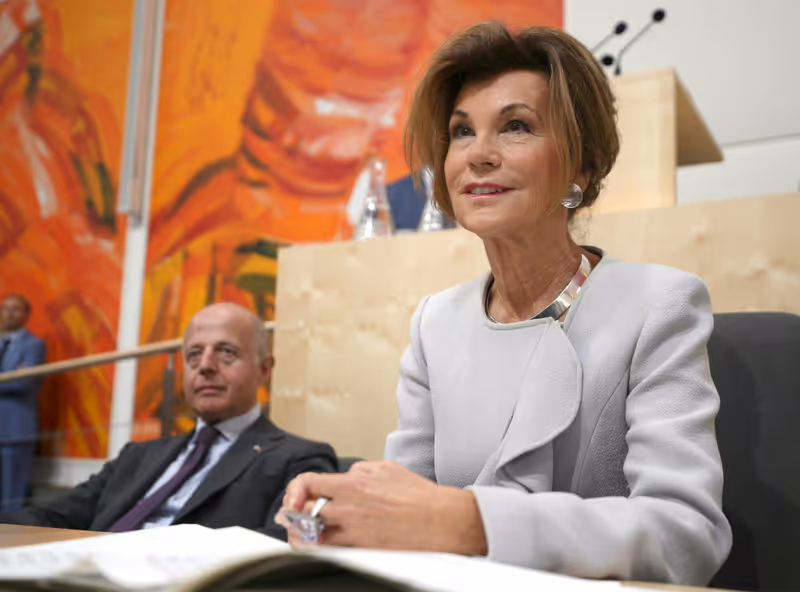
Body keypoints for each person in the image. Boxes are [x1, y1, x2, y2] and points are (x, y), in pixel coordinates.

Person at [277, 23, 732, 585]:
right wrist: (347, 513)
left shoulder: (658, 304)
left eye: (516, 126)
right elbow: (408, 504)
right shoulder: (435, 323)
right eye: (462, 131)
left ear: (581, 166)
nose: (478, 155)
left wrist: (468, 521)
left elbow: (685, 536)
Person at [0, 303, 337, 538]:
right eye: (194, 355)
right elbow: (51, 516)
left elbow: (294, 543)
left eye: (226, 352)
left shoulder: (299, 459)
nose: (205, 366)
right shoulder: (137, 456)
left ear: (264, 369)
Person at [0, 294, 46, 512]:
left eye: (15, 309)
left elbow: (22, 383)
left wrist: (14, 377)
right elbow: (13, 379)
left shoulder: (34, 345)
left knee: (11, 500)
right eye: (5, 308)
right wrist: (11, 374)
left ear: (26, 315)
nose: (9, 313)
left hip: (16, 428)